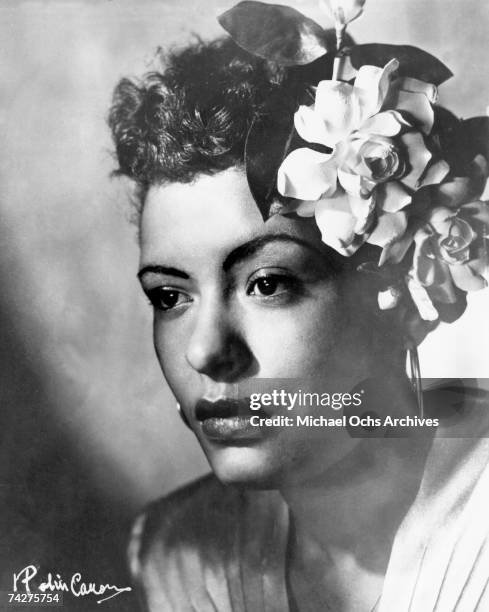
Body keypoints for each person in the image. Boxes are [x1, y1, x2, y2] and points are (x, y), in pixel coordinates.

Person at [108, 4, 489, 610]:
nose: (205, 350)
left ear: (398, 297)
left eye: (267, 284)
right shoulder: (178, 556)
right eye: (171, 296)